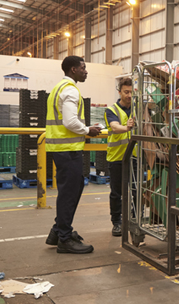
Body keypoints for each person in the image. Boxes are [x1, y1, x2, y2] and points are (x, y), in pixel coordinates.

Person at [45, 56, 101, 254]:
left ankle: (57, 231)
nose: (86, 71)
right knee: (69, 193)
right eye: (83, 68)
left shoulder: (59, 88)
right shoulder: (70, 90)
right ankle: (64, 239)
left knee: (74, 187)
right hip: (66, 150)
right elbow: (70, 121)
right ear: (73, 69)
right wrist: (88, 130)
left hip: (62, 149)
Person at [104, 77, 135, 236]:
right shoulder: (112, 110)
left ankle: (135, 219)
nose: (129, 95)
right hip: (117, 158)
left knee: (136, 190)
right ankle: (116, 222)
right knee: (117, 192)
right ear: (120, 92)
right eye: (126, 92)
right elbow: (114, 127)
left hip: (136, 158)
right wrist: (126, 127)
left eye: (132, 92)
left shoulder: (139, 109)